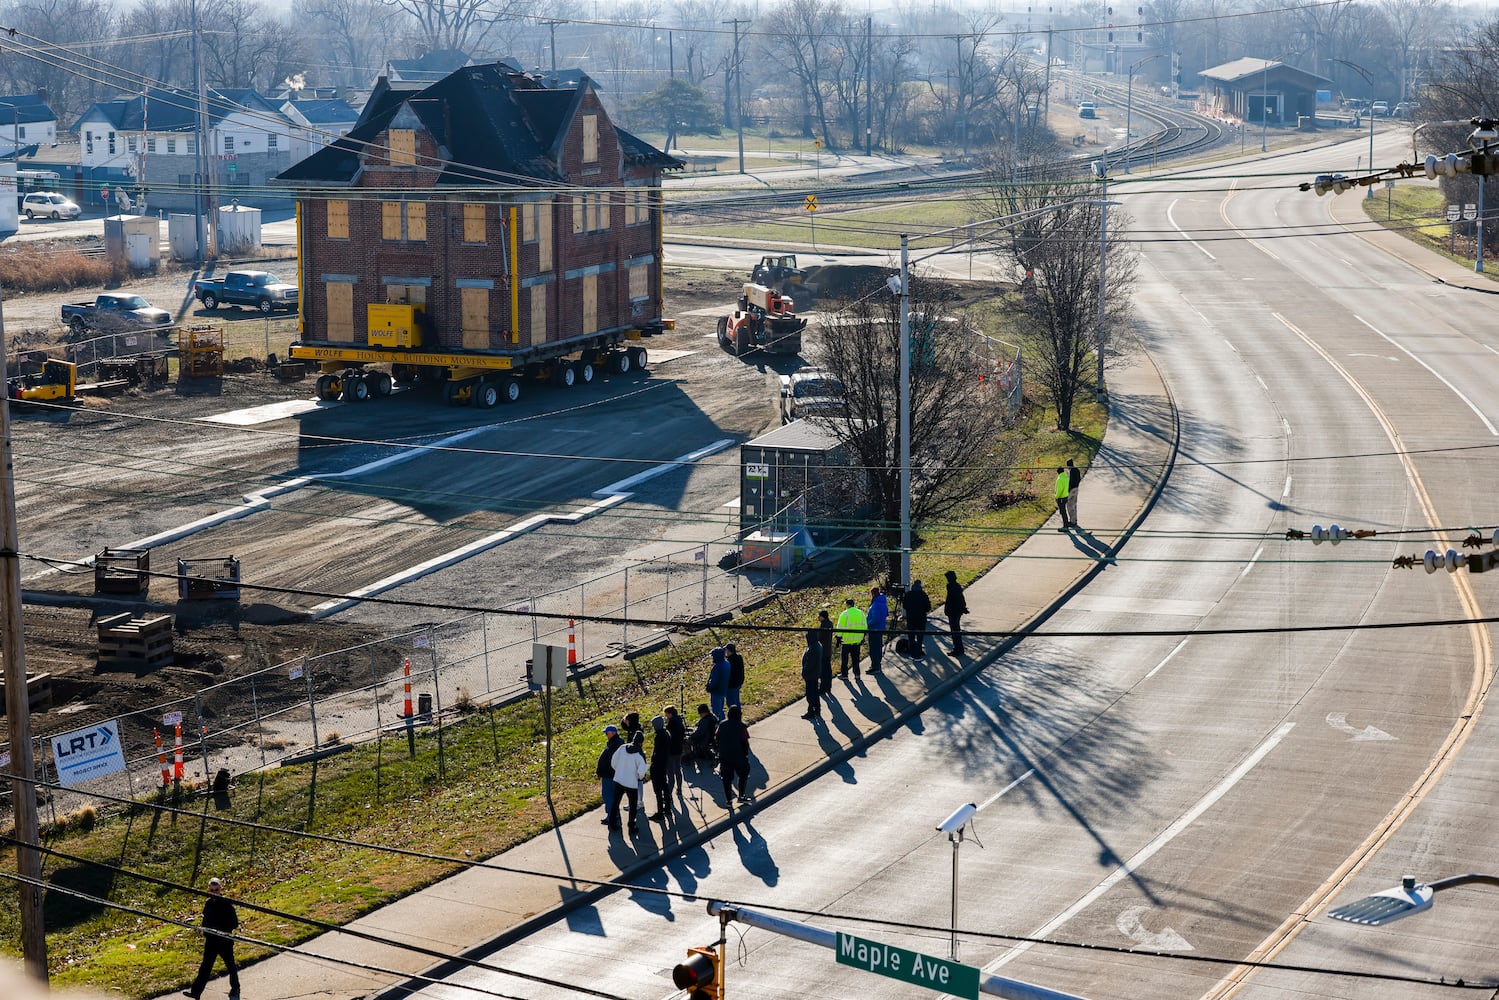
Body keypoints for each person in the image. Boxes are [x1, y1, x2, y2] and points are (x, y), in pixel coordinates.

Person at [184, 877, 240, 1000]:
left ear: (221, 889)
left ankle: (235, 989)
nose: (214, 892)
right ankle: (196, 992)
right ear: (209, 890)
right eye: (212, 890)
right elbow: (205, 921)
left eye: (216, 890)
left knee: (231, 966)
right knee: (205, 967)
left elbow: (234, 923)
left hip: (224, 941)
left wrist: (220, 929)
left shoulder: (227, 904)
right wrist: (206, 931)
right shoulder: (208, 904)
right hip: (211, 942)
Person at [608, 731, 649, 833]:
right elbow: (641, 771)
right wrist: (638, 777)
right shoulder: (639, 754)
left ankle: (612, 823)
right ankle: (631, 827)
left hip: (619, 780)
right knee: (633, 806)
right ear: (641, 743)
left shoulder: (622, 748)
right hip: (631, 784)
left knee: (615, 802)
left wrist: (619, 771)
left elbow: (613, 761)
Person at [716, 705, 751, 804]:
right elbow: (745, 741)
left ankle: (728, 800)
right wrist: (745, 754)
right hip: (739, 756)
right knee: (743, 774)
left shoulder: (722, 725)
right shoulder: (741, 726)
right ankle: (741, 795)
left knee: (726, 778)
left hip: (725, 756)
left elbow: (717, 737)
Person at [595, 724, 623, 825]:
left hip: (609, 774)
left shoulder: (614, 745)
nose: (606, 735)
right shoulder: (616, 743)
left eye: (607, 733)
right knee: (612, 796)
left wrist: (601, 770)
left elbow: (610, 761)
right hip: (612, 774)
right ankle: (614, 815)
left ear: (613, 733)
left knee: (608, 796)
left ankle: (611, 816)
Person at [648, 715, 672, 821]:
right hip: (664, 764)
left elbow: (657, 753)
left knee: (658, 790)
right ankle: (667, 808)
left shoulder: (659, 736)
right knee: (665, 787)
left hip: (658, 766)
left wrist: (652, 763)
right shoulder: (666, 734)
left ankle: (660, 812)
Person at [836, 597, 866, 679]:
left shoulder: (844, 614)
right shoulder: (861, 613)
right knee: (856, 659)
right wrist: (862, 637)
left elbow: (840, 627)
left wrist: (838, 638)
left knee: (845, 660)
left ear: (847, 605)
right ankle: (857, 674)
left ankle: (844, 674)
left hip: (846, 641)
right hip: (857, 641)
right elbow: (865, 626)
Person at [902, 579, 931, 658]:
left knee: (911, 637)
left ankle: (912, 652)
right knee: (920, 637)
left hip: (911, 618)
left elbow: (904, 606)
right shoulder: (923, 595)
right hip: (921, 619)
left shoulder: (908, 594)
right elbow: (928, 607)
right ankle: (918, 653)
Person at [943, 569, 968, 657]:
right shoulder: (956, 586)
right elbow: (961, 599)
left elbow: (956, 600)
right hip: (956, 612)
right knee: (956, 630)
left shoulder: (952, 588)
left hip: (953, 612)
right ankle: (958, 648)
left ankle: (958, 649)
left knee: (955, 631)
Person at [799, 629, 822, 719]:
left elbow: (810, 664)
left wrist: (804, 671)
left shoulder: (813, 648)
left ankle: (811, 711)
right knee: (815, 693)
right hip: (815, 674)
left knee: (810, 694)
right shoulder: (818, 645)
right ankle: (817, 709)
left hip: (811, 675)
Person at [663, 705, 687, 791]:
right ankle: (679, 788)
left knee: (670, 771)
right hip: (679, 749)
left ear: (670, 714)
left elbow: (668, 737)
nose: (666, 717)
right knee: (678, 769)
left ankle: (669, 791)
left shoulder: (671, 724)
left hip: (671, 750)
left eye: (666, 715)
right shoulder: (680, 722)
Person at [866, 586, 889, 674]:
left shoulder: (875, 604)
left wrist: (867, 624)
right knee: (878, 647)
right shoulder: (883, 602)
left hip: (874, 629)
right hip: (881, 628)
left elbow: (875, 619)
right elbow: (886, 613)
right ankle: (877, 665)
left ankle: (874, 666)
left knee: (873, 648)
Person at [705, 647, 730, 720]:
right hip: (723, 690)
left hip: (716, 691)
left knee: (716, 710)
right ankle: (722, 722)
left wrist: (709, 686)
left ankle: (718, 724)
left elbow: (714, 680)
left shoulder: (717, 667)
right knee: (721, 708)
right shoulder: (727, 664)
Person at [816, 608, 835, 696]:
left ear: (823, 617)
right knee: (828, 669)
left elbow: (819, 637)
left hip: (823, 651)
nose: (818, 618)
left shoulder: (823, 625)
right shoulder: (830, 624)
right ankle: (828, 687)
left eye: (819, 616)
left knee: (823, 670)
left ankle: (823, 688)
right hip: (828, 650)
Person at [724, 642, 746, 707]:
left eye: (726, 650)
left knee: (731, 702)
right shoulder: (739, 658)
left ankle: (735, 715)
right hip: (738, 682)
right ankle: (738, 714)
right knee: (736, 700)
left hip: (731, 685)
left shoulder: (729, 661)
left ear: (729, 651)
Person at [1054, 466, 1072, 531]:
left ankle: (1065, 526)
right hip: (1066, 496)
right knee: (1064, 511)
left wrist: (1056, 497)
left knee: (1063, 512)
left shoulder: (1059, 479)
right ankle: (1066, 524)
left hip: (1061, 498)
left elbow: (1059, 490)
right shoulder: (1066, 477)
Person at [1066, 458, 1082, 529]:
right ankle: (1075, 520)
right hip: (1076, 488)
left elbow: (1070, 481)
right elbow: (1079, 479)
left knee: (1070, 506)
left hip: (1071, 490)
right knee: (1075, 505)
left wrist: (1068, 490)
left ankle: (1072, 521)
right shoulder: (1077, 470)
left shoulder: (1071, 471)